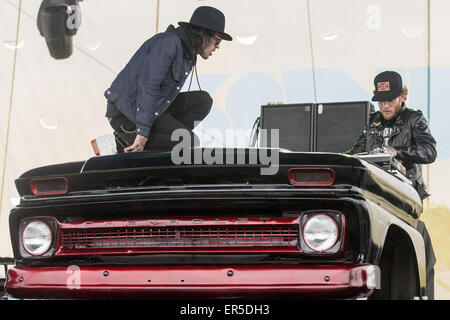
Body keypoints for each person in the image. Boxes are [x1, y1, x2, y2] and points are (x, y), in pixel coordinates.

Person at [346, 70, 437, 299]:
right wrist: (341, 159)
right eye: (381, 101)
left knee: (409, 249)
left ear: (403, 96)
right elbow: (356, 151)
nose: (385, 106)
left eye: (391, 100)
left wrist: (397, 153)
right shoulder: (373, 121)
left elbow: (429, 151)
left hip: (406, 197)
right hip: (377, 195)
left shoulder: (414, 119)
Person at [104, 6, 232, 153]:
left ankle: (162, 140)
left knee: (203, 100)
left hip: (155, 107)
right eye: (217, 40)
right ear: (203, 34)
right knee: (188, 140)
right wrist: (142, 132)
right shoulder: (168, 43)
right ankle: (125, 141)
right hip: (127, 111)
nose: (218, 47)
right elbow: (147, 86)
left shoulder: (187, 54)